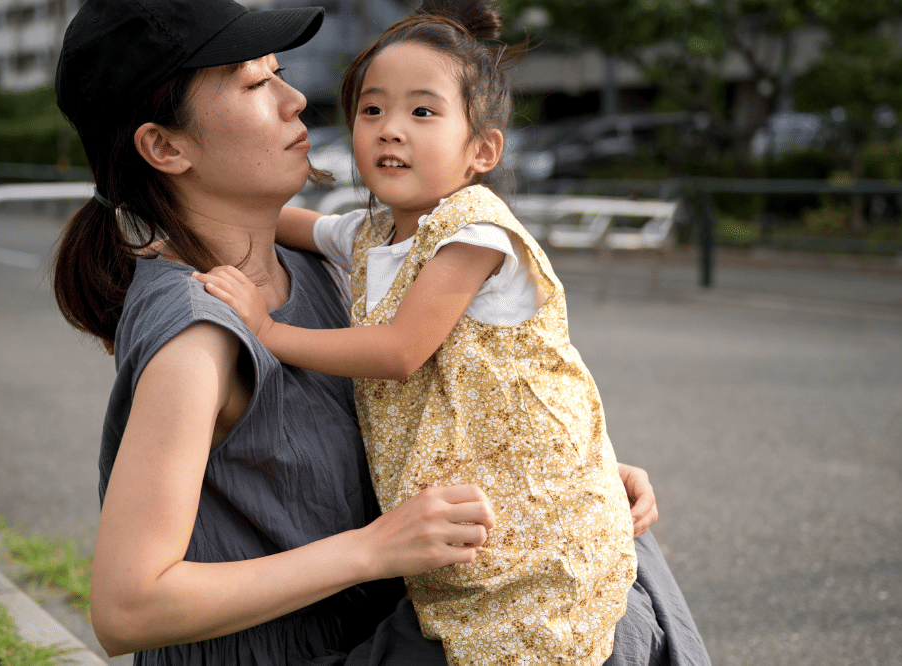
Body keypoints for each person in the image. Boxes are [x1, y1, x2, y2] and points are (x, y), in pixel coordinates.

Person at [51, 0, 708, 664]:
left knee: (623, 578)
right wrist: (375, 548)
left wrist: (560, 473)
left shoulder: (323, 268)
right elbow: (126, 608)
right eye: (256, 84)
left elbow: (428, 409)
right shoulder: (200, 334)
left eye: (280, 72)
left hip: (393, 626)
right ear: (164, 145)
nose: (295, 98)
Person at [193, 2, 635, 664]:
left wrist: (268, 332)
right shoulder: (370, 233)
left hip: (540, 531)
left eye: (422, 113)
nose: (390, 130)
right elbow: (288, 221)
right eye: (372, 111)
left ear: (481, 149)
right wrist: (191, 205)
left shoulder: (475, 233)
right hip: (463, 531)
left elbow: (400, 351)